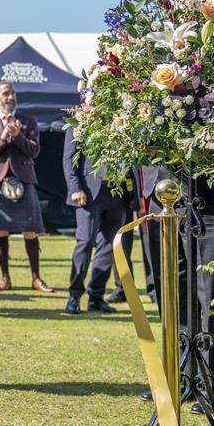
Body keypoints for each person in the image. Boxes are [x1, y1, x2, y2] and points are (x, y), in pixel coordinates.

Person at [140, 165, 214, 412]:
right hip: (160, 195)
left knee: (212, 292)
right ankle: (180, 377)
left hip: (207, 193)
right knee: (171, 291)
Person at [0, 81, 52, 293]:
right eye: (6, 93)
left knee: (31, 230)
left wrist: (18, 136)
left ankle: (36, 278)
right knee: (1, 231)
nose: (10, 97)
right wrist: (4, 138)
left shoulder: (27, 120)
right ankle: (5, 278)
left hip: (24, 179)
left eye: (12, 93)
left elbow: (34, 151)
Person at [61, 130, 123, 314]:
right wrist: (75, 187)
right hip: (88, 192)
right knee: (85, 241)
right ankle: (74, 296)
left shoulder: (124, 116)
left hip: (116, 192)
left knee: (108, 245)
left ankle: (96, 296)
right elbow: (69, 157)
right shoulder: (81, 119)